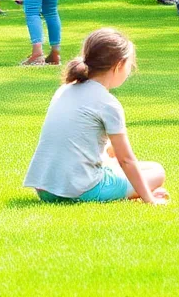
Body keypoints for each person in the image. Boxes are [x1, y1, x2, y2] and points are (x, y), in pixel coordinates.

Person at [24, 28, 168, 205]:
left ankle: (129, 188)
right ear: (118, 66)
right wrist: (149, 199)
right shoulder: (108, 103)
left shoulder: (65, 89)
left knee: (119, 163)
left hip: (45, 188)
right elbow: (126, 160)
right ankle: (134, 192)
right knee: (157, 171)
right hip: (80, 190)